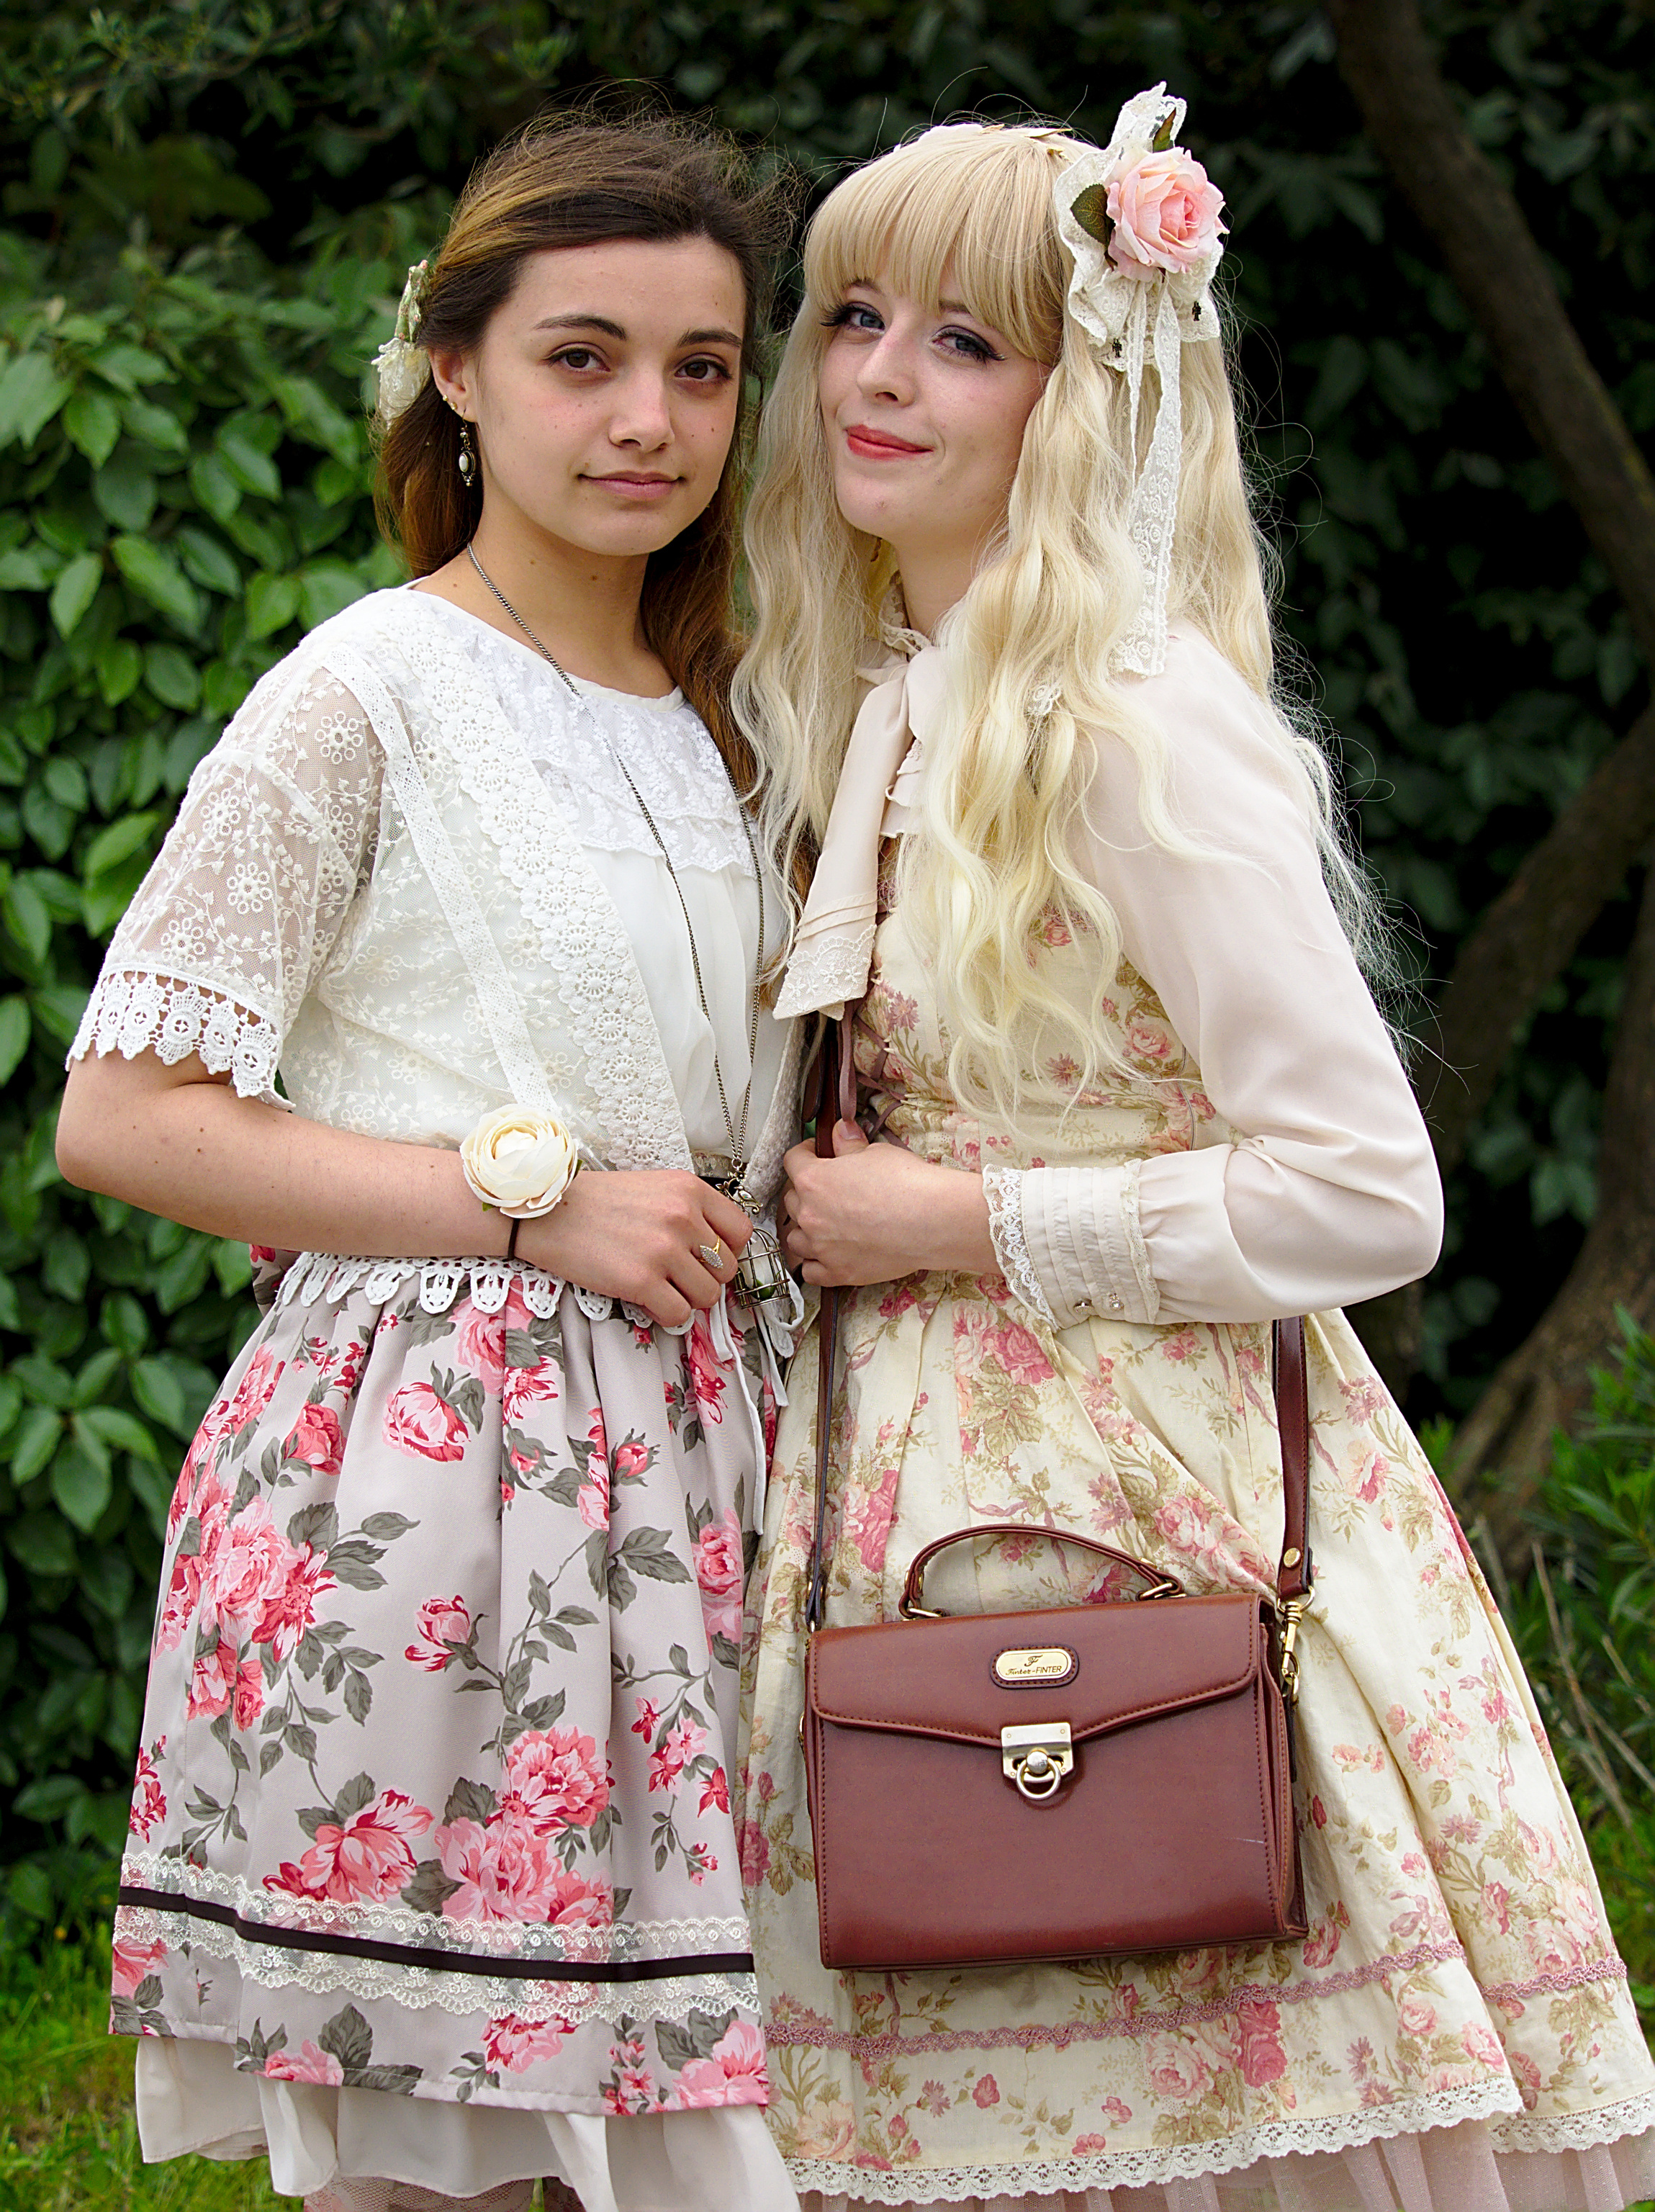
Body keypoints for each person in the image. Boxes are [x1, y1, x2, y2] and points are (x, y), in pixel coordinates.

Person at [732, 95, 1655, 2212]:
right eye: (853, 317)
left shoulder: (1131, 723)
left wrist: (955, 1219)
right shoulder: (887, 697)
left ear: (1081, 397)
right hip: (905, 1503)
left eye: (965, 341)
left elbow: (1365, 1190)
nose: (880, 376)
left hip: (1158, 1499)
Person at [57, 114, 806, 2212]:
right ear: (456, 371)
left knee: (749, 2116)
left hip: (729, 1473)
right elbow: (123, 1115)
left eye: (701, 366)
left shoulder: (745, 705)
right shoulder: (365, 693)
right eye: (583, 358)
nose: (649, 419)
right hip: (447, 1488)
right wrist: (533, 1205)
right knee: (461, 2152)